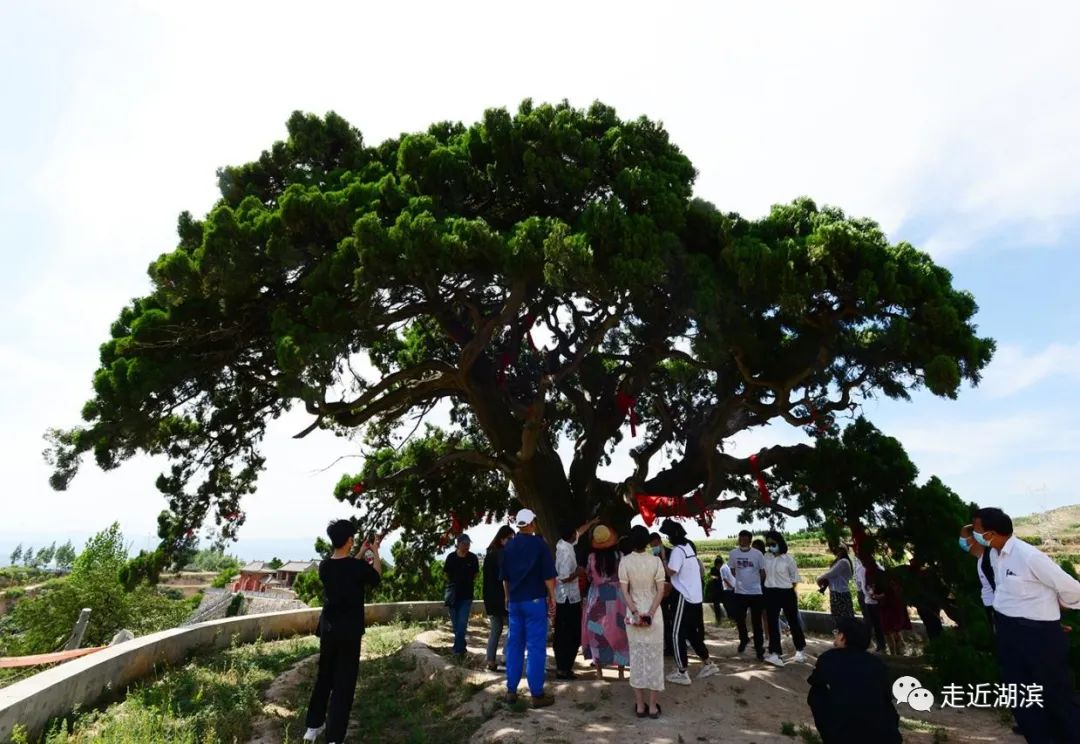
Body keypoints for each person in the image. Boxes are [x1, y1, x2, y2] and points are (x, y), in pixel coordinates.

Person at [974, 506, 1080, 742]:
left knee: (1056, 694)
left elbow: (1072, 588)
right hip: (1009, 631)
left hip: (1038, 636)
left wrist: (1056, 610)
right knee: (1021, 695)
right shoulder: (994, 554)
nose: (975, 535)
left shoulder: (1028, 556)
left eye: (978, 530)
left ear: (991, 533)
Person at [302, 520, 382, 744]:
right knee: (344, 684)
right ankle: (335, 737)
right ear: (349, 540)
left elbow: (345, 567)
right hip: (349, 631)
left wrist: (357, 552)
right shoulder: (356, 568)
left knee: (324, 677)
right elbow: (375, 576)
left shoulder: (325, 566)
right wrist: (373, 552)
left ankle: (313, 726)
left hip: (328, 629)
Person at [807, 617, 901, 744]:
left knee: (816, 693)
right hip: (883, 733)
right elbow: (886, 698)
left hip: (842, 733)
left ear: (842, 636)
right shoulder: (877, 664)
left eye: (837, 632)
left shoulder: (829, 658)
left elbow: (815, 685)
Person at [500, 508, 558, 708]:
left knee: (514, 645)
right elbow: (549, 577)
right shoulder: (540, 545)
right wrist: (553, 597)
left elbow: (505, 578)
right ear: (532, 523)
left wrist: (508, 598)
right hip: (534, 601)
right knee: (535, 647)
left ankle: (511, 690)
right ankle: (536, 693)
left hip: (515, 602)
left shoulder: (509, 547)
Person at [660, 519, 718, 685]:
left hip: (683, 597)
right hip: (695, 598)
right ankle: (708, 663)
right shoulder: (689, 548)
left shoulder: (678, 551)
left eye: (668, 536)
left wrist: (664, 558)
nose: (667, 539)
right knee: (692, 634)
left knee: (676, 633)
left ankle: (682, 671)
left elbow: (671, 572)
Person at [620, 525, 667, 719]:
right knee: (655, 657)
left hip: (633, 614)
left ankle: (640, 706)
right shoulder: (656, 561)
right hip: (654, 615)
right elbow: (661, 590)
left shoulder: (624, 562)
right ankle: (654, 707)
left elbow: (625, 592)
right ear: (648, 541)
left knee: (637, 657)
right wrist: (650, 613)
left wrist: (635, 612)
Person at [581, 524, 630, 679]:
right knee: (620, 631)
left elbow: (589, 576)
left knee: (597, 631)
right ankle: (621, 671)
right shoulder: (620, 556)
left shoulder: (591, 558)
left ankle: (599, 672)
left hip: (597, 596)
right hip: (618, 597)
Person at [554, 518, 598, 679]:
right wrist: (578, 573)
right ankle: (564, 667)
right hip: (568, 597)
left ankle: (563, 666)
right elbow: (564, 577)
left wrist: (591, 523)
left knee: (563, 632)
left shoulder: (563, 543)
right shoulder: (565, 552)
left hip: (564, 597)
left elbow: (579, 531)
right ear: (571, 536)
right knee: (570, 633)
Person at [763, 530, 808, 666]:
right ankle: (775, 654)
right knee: (772, 623)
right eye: (768, 544)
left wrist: (787, 590)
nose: (770, 546)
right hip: (770, 592)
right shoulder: (766, 557)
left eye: (773, 543)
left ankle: (800, 651)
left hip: (786, 592)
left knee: (793, 621)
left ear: (779, 543)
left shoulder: (789, 559)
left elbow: (794, 579)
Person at [729, 530, 766, 661]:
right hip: (739, 592)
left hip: (756, 593)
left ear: (750, 540)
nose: (742, 541)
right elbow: (733, 570)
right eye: (740, 539)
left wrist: (755, 583)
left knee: (757, 622)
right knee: (739, 619)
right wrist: (741, 581)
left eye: (745, 539)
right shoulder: (733, 554)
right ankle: (743, 639)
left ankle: (759, 649)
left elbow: (762, 572)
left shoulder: (758, 554)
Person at [483, 526, 514, 671]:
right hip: (501, 597)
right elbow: (505, 578)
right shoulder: (501, 553)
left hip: (490, 597)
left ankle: (490, 660)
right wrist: (508, 596)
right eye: (510, 538)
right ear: (502, 539)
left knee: (496, 629)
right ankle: (505, 655)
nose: (512, 541)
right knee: (513, 626)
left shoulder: (490, 552)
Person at [444, 533, 479, 657]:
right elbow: (446, 574)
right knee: (456, 626)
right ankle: (462, 648)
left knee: (462, 624)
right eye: (464, 544)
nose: (467, 546)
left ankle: (457, 651)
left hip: (466, 596)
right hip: (453, 596)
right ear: (458, 544)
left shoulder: (473, 558)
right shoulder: (451, 557)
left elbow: (476, 575)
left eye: (468, 544)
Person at [959, 523, 996, 630]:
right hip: (990, 608)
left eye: (964, 538)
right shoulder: (981, 559)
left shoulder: (989, 560)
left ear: (974, 539)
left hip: (997, 609)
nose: (962, 542)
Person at [854, 554, 887, 653]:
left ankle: (870, 644)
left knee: (871, 623)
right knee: (875, 624)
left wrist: (870, 596)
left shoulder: (863, 568)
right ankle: (879, 644)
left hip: (870, 599)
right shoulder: (875, 567)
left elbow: (863, 586)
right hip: (872, 598)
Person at [650, 531, 675, 657]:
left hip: (672, 590)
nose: (653, 547)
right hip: (660, 592)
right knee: (663, 619)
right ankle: (667, 646)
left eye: (654, 544)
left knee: (671, 620)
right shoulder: (653, 556)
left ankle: (672, 647)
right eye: (651, 545)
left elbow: (672, 572)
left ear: (660, 541)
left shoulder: (671, 553)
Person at [817, 546, 855, 623]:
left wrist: (818, 579)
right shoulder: (839, 561)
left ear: (844, 551)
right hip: (836, 593)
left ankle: (847, 634)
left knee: (844, 619)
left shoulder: (843, 561)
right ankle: (843, 633)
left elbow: (831, 573)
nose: (838, 552)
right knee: (839, 618)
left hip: (840, 594)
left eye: (841, 550)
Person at [708, 555, 733, 625]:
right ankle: (718, 619)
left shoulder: (724, 569)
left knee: (727, 604)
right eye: (718, 565)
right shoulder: (713, 569)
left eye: (720, 565)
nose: (719, 567)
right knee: (716, 605)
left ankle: (730, 617)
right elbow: (712, 576)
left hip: (723, 589)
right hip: (716, 589)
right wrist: (715, 577)